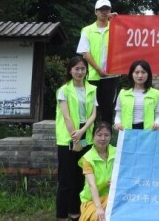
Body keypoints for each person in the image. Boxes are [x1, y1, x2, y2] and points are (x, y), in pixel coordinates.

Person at [55, 56, 97, 221]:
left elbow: (93, 114)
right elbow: (66, 116)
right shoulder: (64, 90)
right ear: (70, 70)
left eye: (83, 69)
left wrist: (83, 131)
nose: (80, 72)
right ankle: (62, 214)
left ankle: (75, 212)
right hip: (68, 137)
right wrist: (76, 137)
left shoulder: (92, 89)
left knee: (81, 177)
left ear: (87, 70)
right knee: (66, 178)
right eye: (76, 69)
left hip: (86, 136)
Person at [77, 0, 118, 125]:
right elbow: (85, 52)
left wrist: (118, 20)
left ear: (110, 11)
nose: (104, 12)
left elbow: (128, 38)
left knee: (107, 110)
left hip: (111, 75)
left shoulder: (116, 28)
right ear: (95, 12)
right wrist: (99, 69)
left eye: (106, 9)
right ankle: (90, 136)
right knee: (90, 109)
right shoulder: (87, 30)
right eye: (101, 9)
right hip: (92, 76)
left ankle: (106, 136)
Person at [78, 122, 116, 221]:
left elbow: (125, 174)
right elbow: (92, 185)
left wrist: (117, 181)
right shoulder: (87, 158)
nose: (103, 138)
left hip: (111, 196)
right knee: (98, 217)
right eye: (99, 135)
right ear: (93, 136)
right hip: (91, 200)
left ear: (111, 137)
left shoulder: (118, 152)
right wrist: (99, 208)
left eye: (106, 135)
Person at [114, 60, 159, 131]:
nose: (140, 76)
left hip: (147, 132)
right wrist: (117, 123)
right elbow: (118, 114)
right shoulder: (123, 93)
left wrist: (156, 124)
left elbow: (158, 116)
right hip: (127, 131)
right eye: (137, 72)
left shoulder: (155, 94)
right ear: (131, 74)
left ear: (148, 74)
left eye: (143, 72)